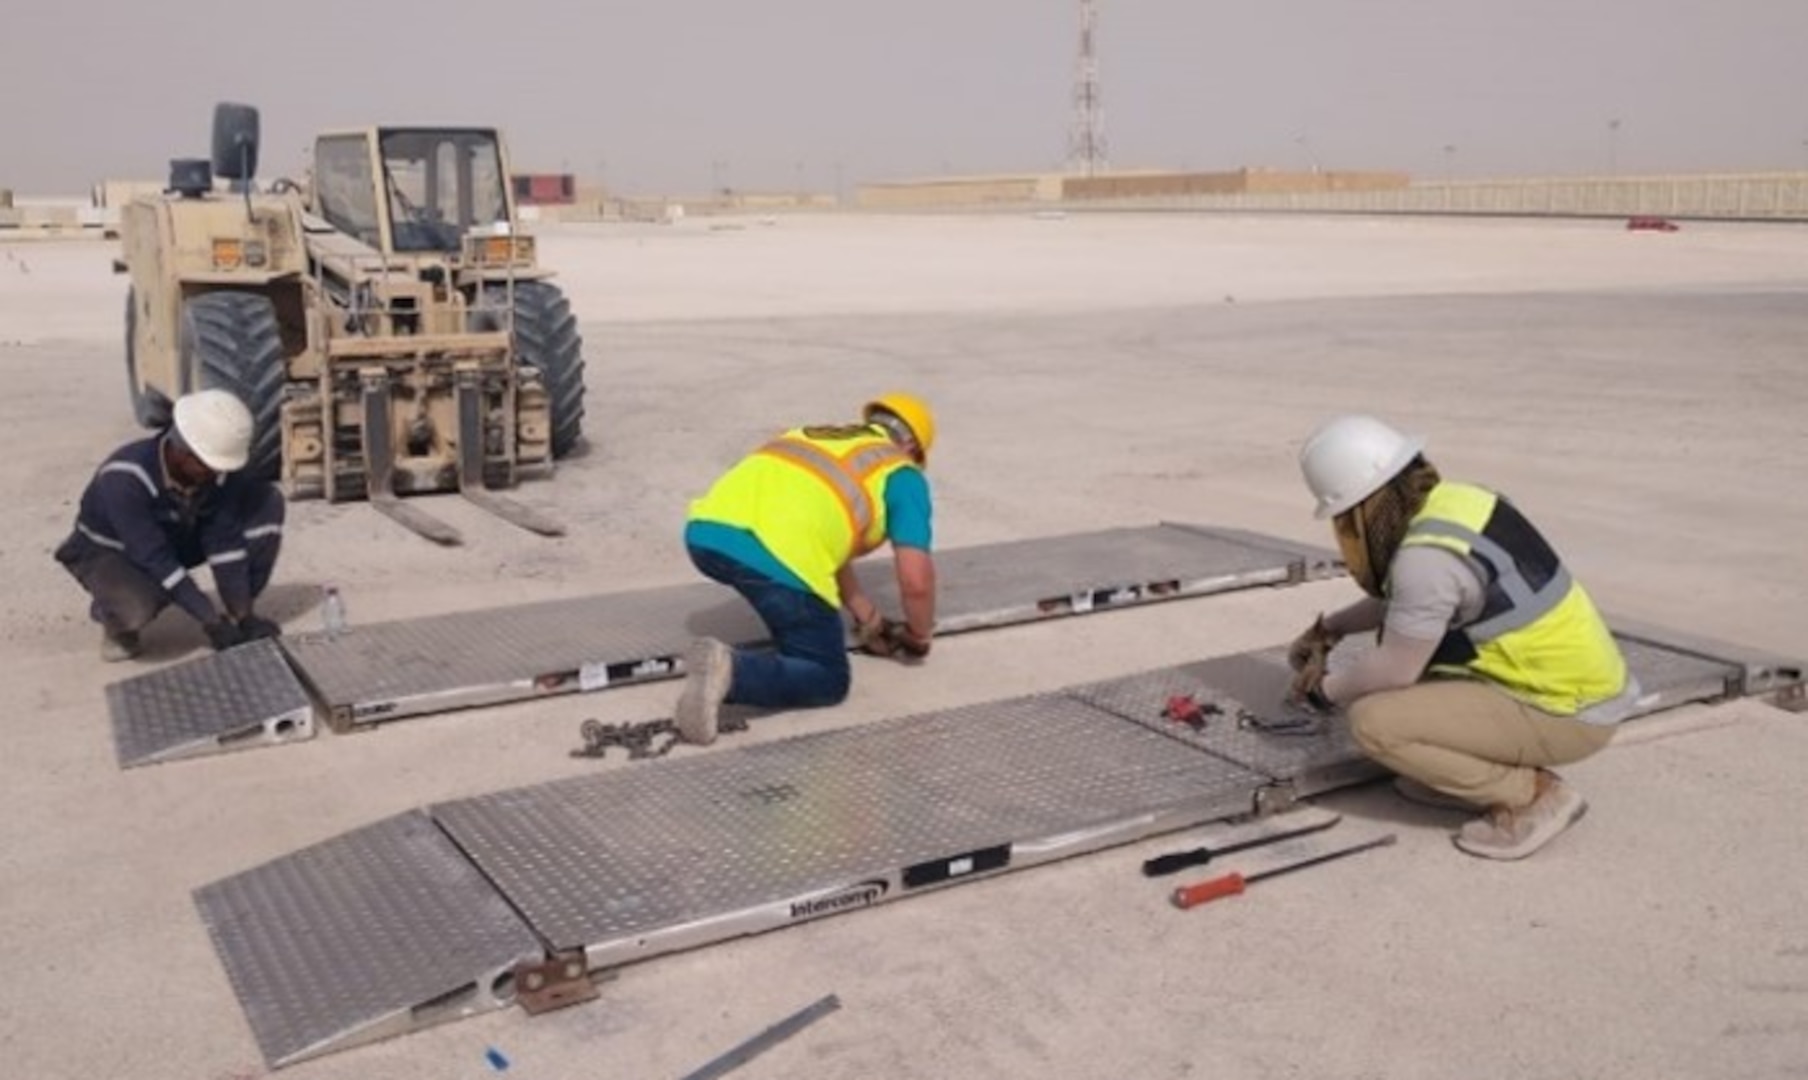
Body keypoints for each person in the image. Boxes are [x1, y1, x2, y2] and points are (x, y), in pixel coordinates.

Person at [1285, 414, 1641, 861]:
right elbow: (1414, 602)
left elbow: (1397, 667)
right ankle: (1461, 772)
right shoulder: (1456, 504)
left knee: (1373, 721)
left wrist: (1322, 691)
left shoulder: (1423, 558)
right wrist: (1330, 629)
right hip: (1577, 687)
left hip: (1568, 712)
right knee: (1409, 678)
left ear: (1361, 508)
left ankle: (1531, 796)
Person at [672, 392, 940, 745]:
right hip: (775, 556)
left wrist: (867, 616)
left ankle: (766, 636)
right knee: (826, 676)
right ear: (912, 448)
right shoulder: (901, 474)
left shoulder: (812, 436)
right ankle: (732, 672)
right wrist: (919, 636)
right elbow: (915, 581)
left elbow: (829, 541)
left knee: (788, 586)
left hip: (705, 535)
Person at [54, 388, 286, 661]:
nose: (215, 473)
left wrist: (243, 615)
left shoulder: (214, 475)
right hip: (112, 552)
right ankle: (117, 623)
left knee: (266, 501)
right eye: (208, 465)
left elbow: (223, 539)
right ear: (180, 451)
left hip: (174, 536)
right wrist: (209, 621)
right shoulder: (125, 479)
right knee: (138, 604)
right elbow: (154, 556)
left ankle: (237, 609)